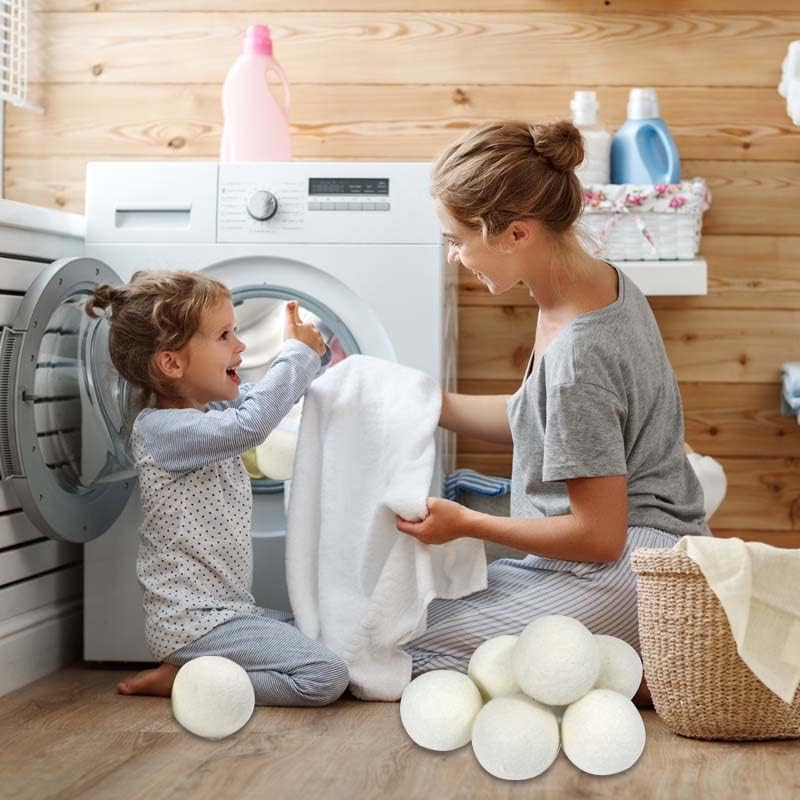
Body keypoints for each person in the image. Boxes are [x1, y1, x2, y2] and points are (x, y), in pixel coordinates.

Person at [397, 120, 707, 707]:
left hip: (628, 573)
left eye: (457, 239)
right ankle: (615, 665)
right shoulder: (598, 285)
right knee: (418, 611)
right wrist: (419, 405)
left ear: (516, 232)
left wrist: (467, 524)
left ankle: (639, 673)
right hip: (652, 552)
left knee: (398, 640)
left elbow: (597, 536)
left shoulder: (578, 356)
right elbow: (531, 416)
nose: (455, 257)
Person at [85, 270, 349, 705]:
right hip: (193, 622)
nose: (240, 346)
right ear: (172, 363)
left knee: (326, 629)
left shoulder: (208, 412)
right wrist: (296, 357)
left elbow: (256, 402)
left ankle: (198, 668)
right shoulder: (163, 430)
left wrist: (312, 355)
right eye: (225, 335)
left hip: (229, 615)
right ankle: (188, 680)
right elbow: (254, 423)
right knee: (325, 675)